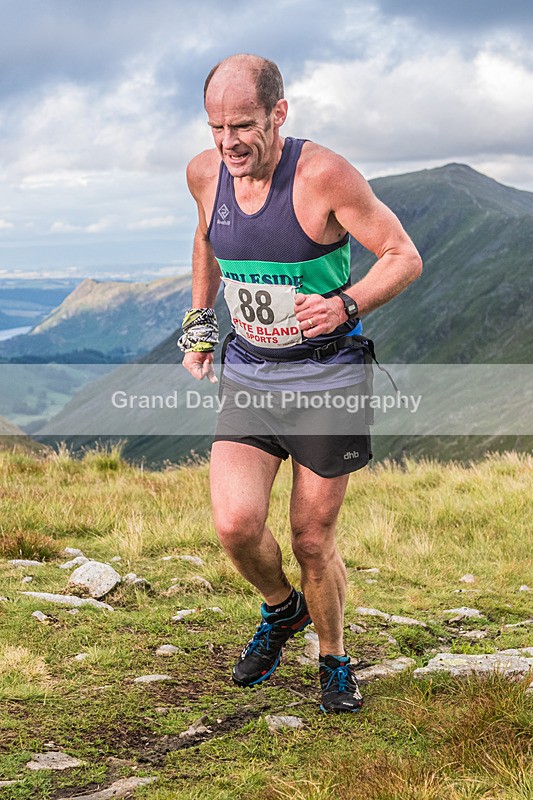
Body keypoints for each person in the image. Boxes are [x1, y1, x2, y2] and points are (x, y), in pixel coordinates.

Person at [179, 54, 422, 713]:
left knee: (312, 539)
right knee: (235, 525)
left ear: (278, 113)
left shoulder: (323, 176)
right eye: (215, 127)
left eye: (242, 126)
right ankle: (282, 608)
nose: (228, 142)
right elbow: (206, 239)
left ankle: (334, 659)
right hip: (251, 373)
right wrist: (200, 323)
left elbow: (403, 255)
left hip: (326, 379)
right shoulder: (205, 174)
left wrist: (347, 303)